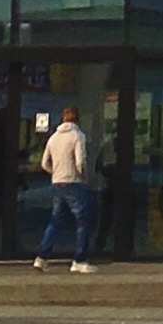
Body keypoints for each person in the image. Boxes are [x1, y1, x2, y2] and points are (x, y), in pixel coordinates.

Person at [35, 103, 96, 273]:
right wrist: (84, 177)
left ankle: (42, 257)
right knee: (83, 221)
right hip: (73, 182)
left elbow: (44, 162)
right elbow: (80, 161)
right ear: (77, 119)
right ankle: (79, 260)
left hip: (57, 182)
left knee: (55, 220)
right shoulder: (78, 135)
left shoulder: (53, 137)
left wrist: (54, 172)